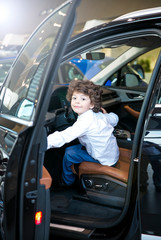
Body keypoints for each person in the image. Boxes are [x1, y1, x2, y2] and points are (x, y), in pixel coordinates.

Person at [47, 80, 119, 188]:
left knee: (69, 153)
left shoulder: (85, 121)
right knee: (74, 148)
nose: (77, 102)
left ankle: (66, 182)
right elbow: (114, 119)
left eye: (83, 99)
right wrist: (107, 114)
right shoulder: (98, 115)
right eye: (74, 98)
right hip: (112, 155)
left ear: (92, 104)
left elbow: (65, 136)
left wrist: (45, 142)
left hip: (102, 159)